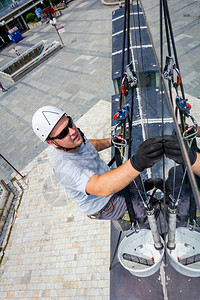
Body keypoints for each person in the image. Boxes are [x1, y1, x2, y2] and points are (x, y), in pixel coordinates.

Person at [32, 106, 164, 225]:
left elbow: (90, 145)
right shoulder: (65, 168)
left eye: (70, 123)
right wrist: (139, 161)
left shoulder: (74, 141)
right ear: (52, 143)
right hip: (104, 203)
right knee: (145, 211)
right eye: (63, 133)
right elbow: (102, 188)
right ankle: (153, 222)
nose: (72, 131)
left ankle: (139, 191)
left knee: (130, 175)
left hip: (105, 180)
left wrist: (112, 141)